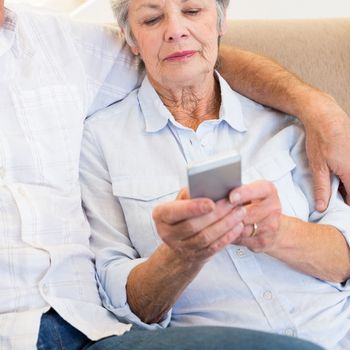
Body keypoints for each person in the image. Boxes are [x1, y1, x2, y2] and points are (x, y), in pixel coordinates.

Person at [0, 0, 346, 348]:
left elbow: (343, 256)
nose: (176, 30)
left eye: (193, 12)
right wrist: (180, 256)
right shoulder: (100, 139)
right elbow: (123, 298)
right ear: (130, 40)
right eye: (151, 19)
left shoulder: (285, 120)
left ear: (220, 22)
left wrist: (274, 231)